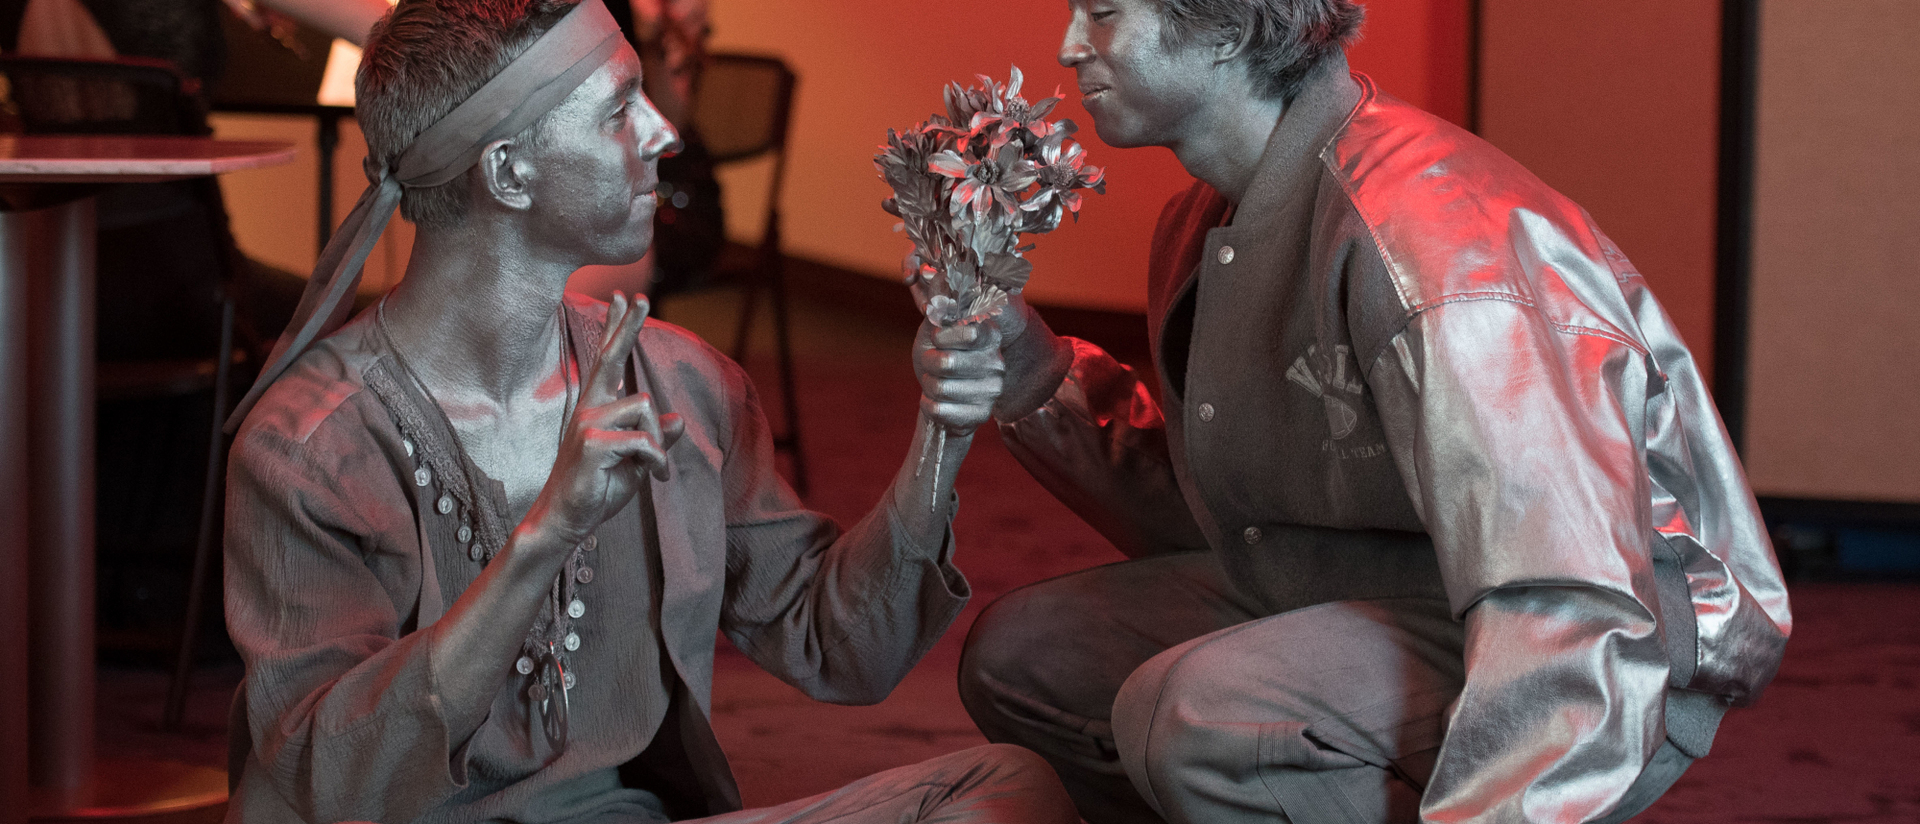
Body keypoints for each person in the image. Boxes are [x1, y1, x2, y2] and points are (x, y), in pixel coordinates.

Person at [220, 1, 1075, 821]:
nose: (664, 133)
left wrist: (944, 426)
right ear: (508, 171)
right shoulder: (310, 445)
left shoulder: (682, 385)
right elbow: (333, 781)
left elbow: (845, 646)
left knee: (1006, 790)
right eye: (619, 109)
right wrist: (546, 535)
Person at [957, 0, 1793, 822]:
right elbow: (1235, 511)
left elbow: (1574, 600)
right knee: (1029, 657)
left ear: (1231, 28)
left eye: (1102, 12)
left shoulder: (1427, 239)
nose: (1069, 47)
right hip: (1383, 581)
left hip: (1608, 649)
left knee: (1198, 715)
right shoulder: (1204, 219)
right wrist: (1021, 362)